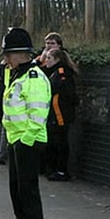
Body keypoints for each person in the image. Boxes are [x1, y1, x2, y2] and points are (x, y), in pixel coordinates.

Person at [0, 27, 51, 219]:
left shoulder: (34, 78)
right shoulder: (18, 74)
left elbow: (38, 115)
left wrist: (25, 140)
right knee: (17, 191)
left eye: (9, 54)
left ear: (22, 54)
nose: (6, 59)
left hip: (28, 140)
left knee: (28, 192)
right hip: (16, 139)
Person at [42, 48, 78, 181]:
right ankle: (54, 168)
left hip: (60, 114)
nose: (46, 61)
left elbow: (64, 93)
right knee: (55, 141)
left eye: (49, 58)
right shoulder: (54, 73)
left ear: (57, 59)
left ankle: (62, 171)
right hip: (56, 113)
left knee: (61, 142)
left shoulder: (61, 73)